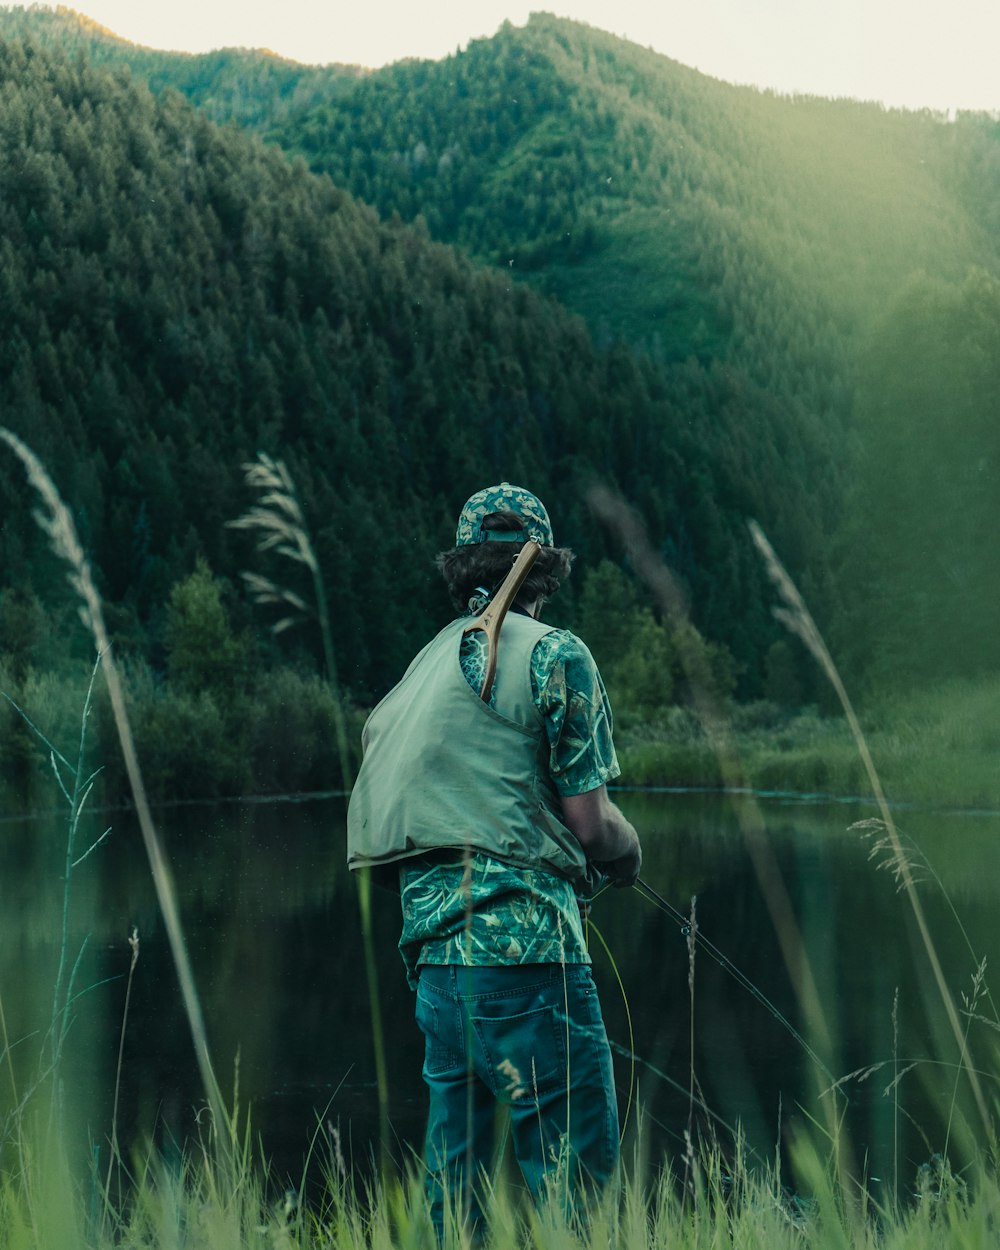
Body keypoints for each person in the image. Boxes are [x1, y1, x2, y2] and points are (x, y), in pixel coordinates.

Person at [347, 482, 642, 1236]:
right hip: (531, 960)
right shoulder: (557, 655)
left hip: (439, 969)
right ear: (547, 571)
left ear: (462, 565)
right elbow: (589, 822)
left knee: (453, 1188)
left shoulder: (424, 668)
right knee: (575, 1184)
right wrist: (627, 851)